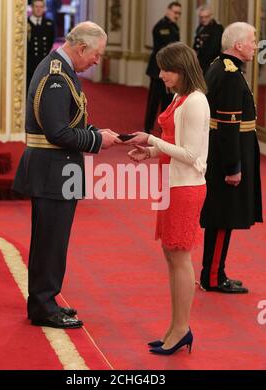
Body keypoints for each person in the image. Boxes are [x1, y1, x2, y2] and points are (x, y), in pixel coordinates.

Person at [13, 21, 120, 328]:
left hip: (57, 168)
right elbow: (58, 132)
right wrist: (97, 140)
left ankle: (45, 301)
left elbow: (67, 122)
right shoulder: (56, 75)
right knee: (50, 242)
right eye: (96, 54)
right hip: (52, 170)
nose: (97, 61)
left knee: (51, 241)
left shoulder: (61, 69)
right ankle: (44, 307)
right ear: (82, 47)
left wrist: (94, 132)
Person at [126, 42, 210, 355]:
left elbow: (192, 155)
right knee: (171, 257)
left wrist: (152, 139)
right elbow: (177, 144)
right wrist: (151, 151)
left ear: (183, 69)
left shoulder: (196, 102)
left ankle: (182, 328)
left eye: (166, 69)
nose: (161, 75)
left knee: (180, 257)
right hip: (171, 184)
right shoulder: (180, 97)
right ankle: (175, 327)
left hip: (185, 187)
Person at [200, 22, 263, 293]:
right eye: (251, 41)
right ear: (238, 45)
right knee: (223, 217)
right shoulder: (228, 74)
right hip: (229, 155)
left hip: (229, 149)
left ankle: (217, 271)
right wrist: (233, 166)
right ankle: (213, 277)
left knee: (222, 217)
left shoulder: (224, 67)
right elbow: (228, 127)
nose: (254, 46)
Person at [144, 1, 182, 134]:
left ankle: (164, 126)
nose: (177, 15)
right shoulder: (161, 27)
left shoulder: (174, 27)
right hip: (158, 70)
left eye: (179, 13)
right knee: (154, 101)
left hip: (169, 68)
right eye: (175, 12)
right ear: (168, 11)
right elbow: (165, 49)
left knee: (167, 99)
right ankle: (148, 127)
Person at [27, 0, 55, 91]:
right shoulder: (25, 23)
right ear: (32, 7)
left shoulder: (49, 24)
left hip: (43, 62)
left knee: (43, 89)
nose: (39, 9)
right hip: (29, 64)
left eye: (41, 7)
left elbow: (50, 42)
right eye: (36, 6)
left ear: (44, 8)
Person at [193, 5, 224, 74]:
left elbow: (214, 48)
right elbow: (196, 43)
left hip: (211, 64)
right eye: (201, 17)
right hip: (200, 63)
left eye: (206, 17)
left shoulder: (217, 28)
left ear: (211, 16)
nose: (204, 19)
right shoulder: (200, 27)